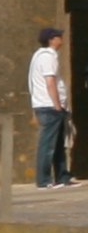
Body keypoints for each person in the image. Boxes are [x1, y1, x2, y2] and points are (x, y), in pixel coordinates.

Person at [35, 26, 72, 190]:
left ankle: (62, 177)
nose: (61, 39)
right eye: (58, 36)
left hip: (48, 105)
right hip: (50, 106)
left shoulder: (40, 56)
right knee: (48, 144)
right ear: (51, 39)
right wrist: (57, 105)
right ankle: (44, 180)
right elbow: (50, 82)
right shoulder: (48, 57)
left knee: (58, 144)